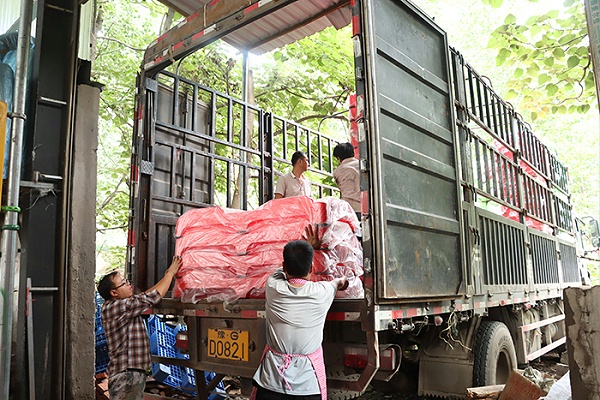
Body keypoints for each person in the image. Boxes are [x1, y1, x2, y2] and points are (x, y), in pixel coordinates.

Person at [251, 227, 348, 400]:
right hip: (307, 388)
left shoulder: (273, 286)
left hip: (270, 384)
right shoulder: (322, 291)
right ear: (311, 268)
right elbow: (339, 282)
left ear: (284, 267)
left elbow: (281, 271)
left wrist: (302, 248)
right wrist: (343, 281)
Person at [97, 256, 182, 400]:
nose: (129, 285)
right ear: (114, 293)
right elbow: (152, 297)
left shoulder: (123, 305)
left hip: (129, 372)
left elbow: (145, 297)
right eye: (124, 283)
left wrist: (166, 277)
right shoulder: (119, 307)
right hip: (126, 373)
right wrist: (170, 274)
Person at [333, 142, 361, 220]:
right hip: (368, 207)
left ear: (339, 158)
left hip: (349, 210)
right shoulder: (362, 165)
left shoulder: (337, 172)